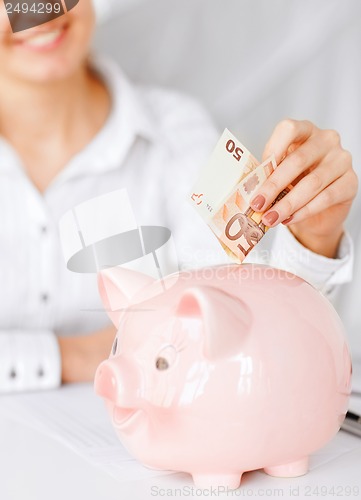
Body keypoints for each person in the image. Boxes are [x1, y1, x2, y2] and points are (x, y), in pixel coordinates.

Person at [0, 0, 358, 393]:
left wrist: (316, 237)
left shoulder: (181, 130)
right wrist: (76, 356)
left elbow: (252, 330)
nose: (38, 10)